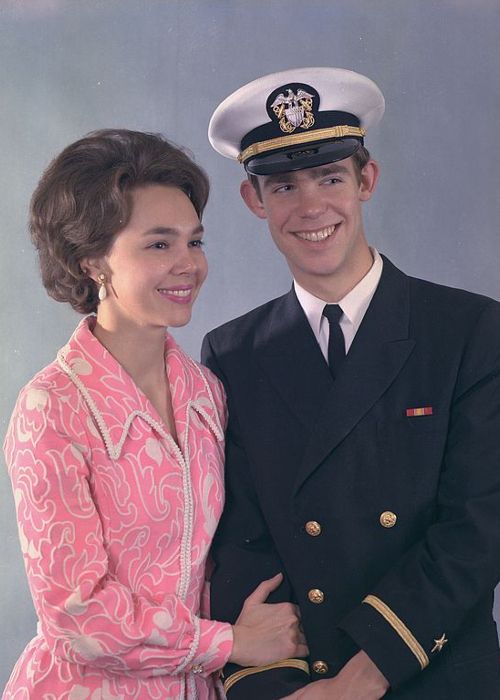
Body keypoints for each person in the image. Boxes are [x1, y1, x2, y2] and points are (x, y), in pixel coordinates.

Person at [201, 68, 500, 699]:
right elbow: (241, 539)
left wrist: (360, 681)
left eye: (330, 178)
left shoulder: (469, 328)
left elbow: (479, 526)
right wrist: (274, 686)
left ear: (366, 180)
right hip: (297, 678)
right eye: (283, 186)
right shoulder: (232, 352)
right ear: (254, 201)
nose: (310, 208)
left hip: (428, 668)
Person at [2, 129, 307, 700]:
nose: (188, 265)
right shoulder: (53, 409)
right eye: (159, 245)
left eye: (195, 242)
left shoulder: (206, 391)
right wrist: (230, 643)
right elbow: (78, 614)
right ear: (92, 259)